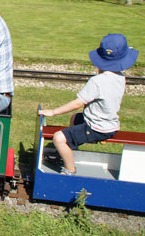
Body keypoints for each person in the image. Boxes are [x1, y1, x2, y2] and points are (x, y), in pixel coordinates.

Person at [39, 33, 139, 175]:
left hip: (96, 128)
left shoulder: (98, 81)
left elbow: (77, 103)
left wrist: (53, 112)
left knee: (58, 138)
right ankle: (69, 152)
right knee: (75, 118)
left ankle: (69, 169)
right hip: (110, 124)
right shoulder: (120, 78)